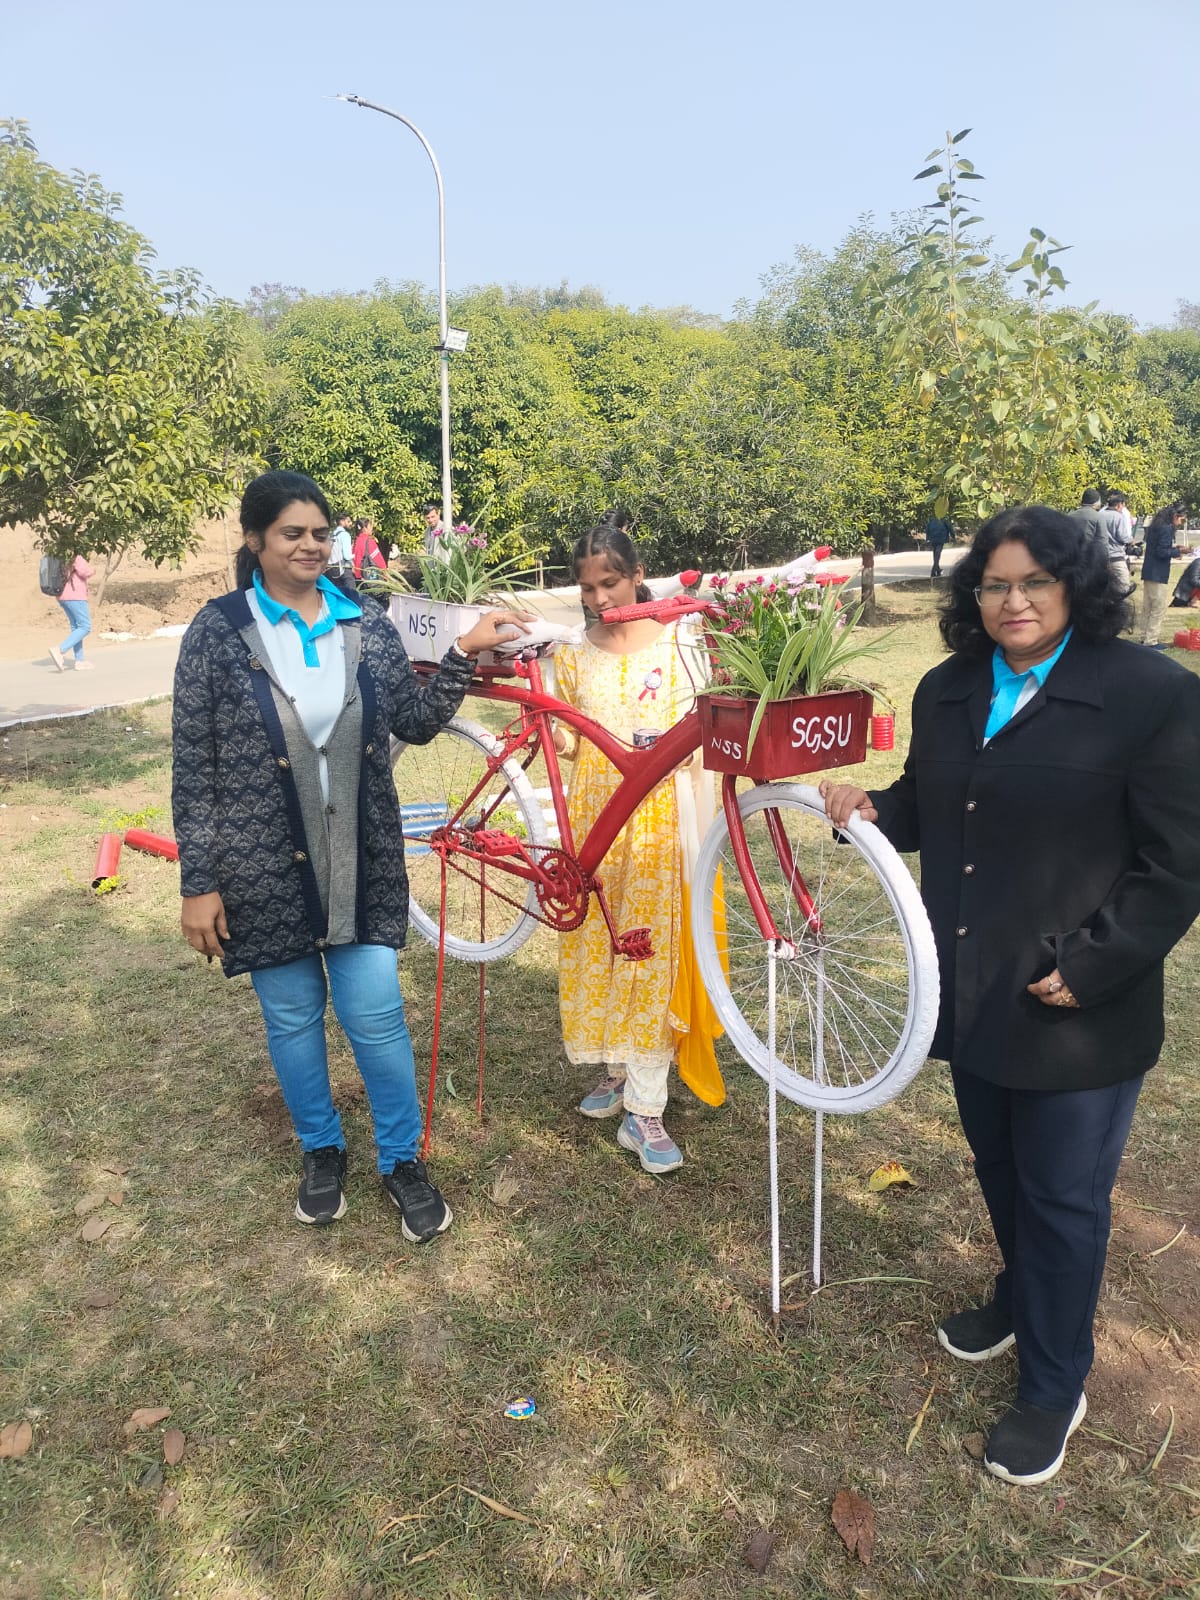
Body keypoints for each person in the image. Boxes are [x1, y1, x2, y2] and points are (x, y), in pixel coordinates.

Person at [821, 505, 1200, 1486]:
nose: (1014, 600)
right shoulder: (951, 688)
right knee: (999, 1165)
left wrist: (1094, 966)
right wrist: (872, 809)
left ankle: (1053, 1383)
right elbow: (932, 802)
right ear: (971, 593)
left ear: (1076, 585)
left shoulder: (1148, 693)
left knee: (1064, 1195)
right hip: (972, 987)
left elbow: (1176, 863)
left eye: (1035, 582)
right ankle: (1025, 1293)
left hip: (1081, 1008)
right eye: (995, 584)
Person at [171, 470, 529, 1240]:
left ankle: (402, 1159)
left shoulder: (362, 620)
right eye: (292, 533)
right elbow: (191, 763)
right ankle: (321, 1149)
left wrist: (462, 650)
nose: (309, 545)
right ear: (256, 540)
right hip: (261, 865)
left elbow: (414, 718)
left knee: (376, 1015)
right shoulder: (219, 630)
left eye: (319, 533)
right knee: (293, 1018)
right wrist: (198, 881)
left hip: (361, 855)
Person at [551, 520, 724, 1175]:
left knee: (650, 954)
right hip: (597, 818)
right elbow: (568, 735)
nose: (598, 598)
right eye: (587, 585)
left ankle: (646, 1111)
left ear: (638, 572)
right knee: (599, 943)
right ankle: (619, 1071)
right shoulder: (571, 652)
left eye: (611, 582)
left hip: (661, 822)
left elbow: (709, 723)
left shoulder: (682, 639)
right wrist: (548, 732)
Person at [1139, 502, 1186, 647]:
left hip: (1149, 570)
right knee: (1158, 608)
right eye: (1181, 519)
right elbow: (1162, 552)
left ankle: (1144, 636)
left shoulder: (1156, 526)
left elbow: (1158, 547)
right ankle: (1151, 640)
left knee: (1148, 606)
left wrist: (1173, 548)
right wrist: (1178, 552)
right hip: (1158, 572)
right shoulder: (1166, 529)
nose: (1180, 522)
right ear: (1175, 516)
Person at [48, 554, 96, 672]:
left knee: (76, 628)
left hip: (62, 596)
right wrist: (93, 570)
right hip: (76, 596)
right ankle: (60, 650)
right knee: (85, 627)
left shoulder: (58, 555)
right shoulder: (75, 556)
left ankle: (79, 661)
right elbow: (84, 572)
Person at [1097, 492, 1134, 587]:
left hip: (1101, 556)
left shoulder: (1100, 514)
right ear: (1118, 505)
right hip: (1116, 556)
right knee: (1123, 585)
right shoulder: (1118, 516)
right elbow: (1122, 537)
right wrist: (1131, 540)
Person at [352, 517, 388, 604]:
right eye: (370, 526)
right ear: (364, 528)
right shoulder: (370, 542)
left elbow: (354, 561)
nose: (372, 528)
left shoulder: (355, 542)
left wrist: (358, 576)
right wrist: (386, 575)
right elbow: (379, 561)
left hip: (359, 580)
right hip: (372, 579)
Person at [327, 513, 356, 596]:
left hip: (332, 570)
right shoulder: (345, 535)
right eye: (348, 521)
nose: (350, 524)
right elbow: (347, 556)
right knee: (352, 596)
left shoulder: (332, 534)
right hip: (344, 569)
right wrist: (354, 556)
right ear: (342, 522)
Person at [924, 513, 954, 577]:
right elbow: (950, 528)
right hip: (941, 539)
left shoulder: (931, 520)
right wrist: (953, 536)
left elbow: (927, 529)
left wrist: (927, 538)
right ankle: (933, 570)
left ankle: (938, 570)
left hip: (933, 539)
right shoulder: (944, 520)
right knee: (937, 554)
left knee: (935, 554)